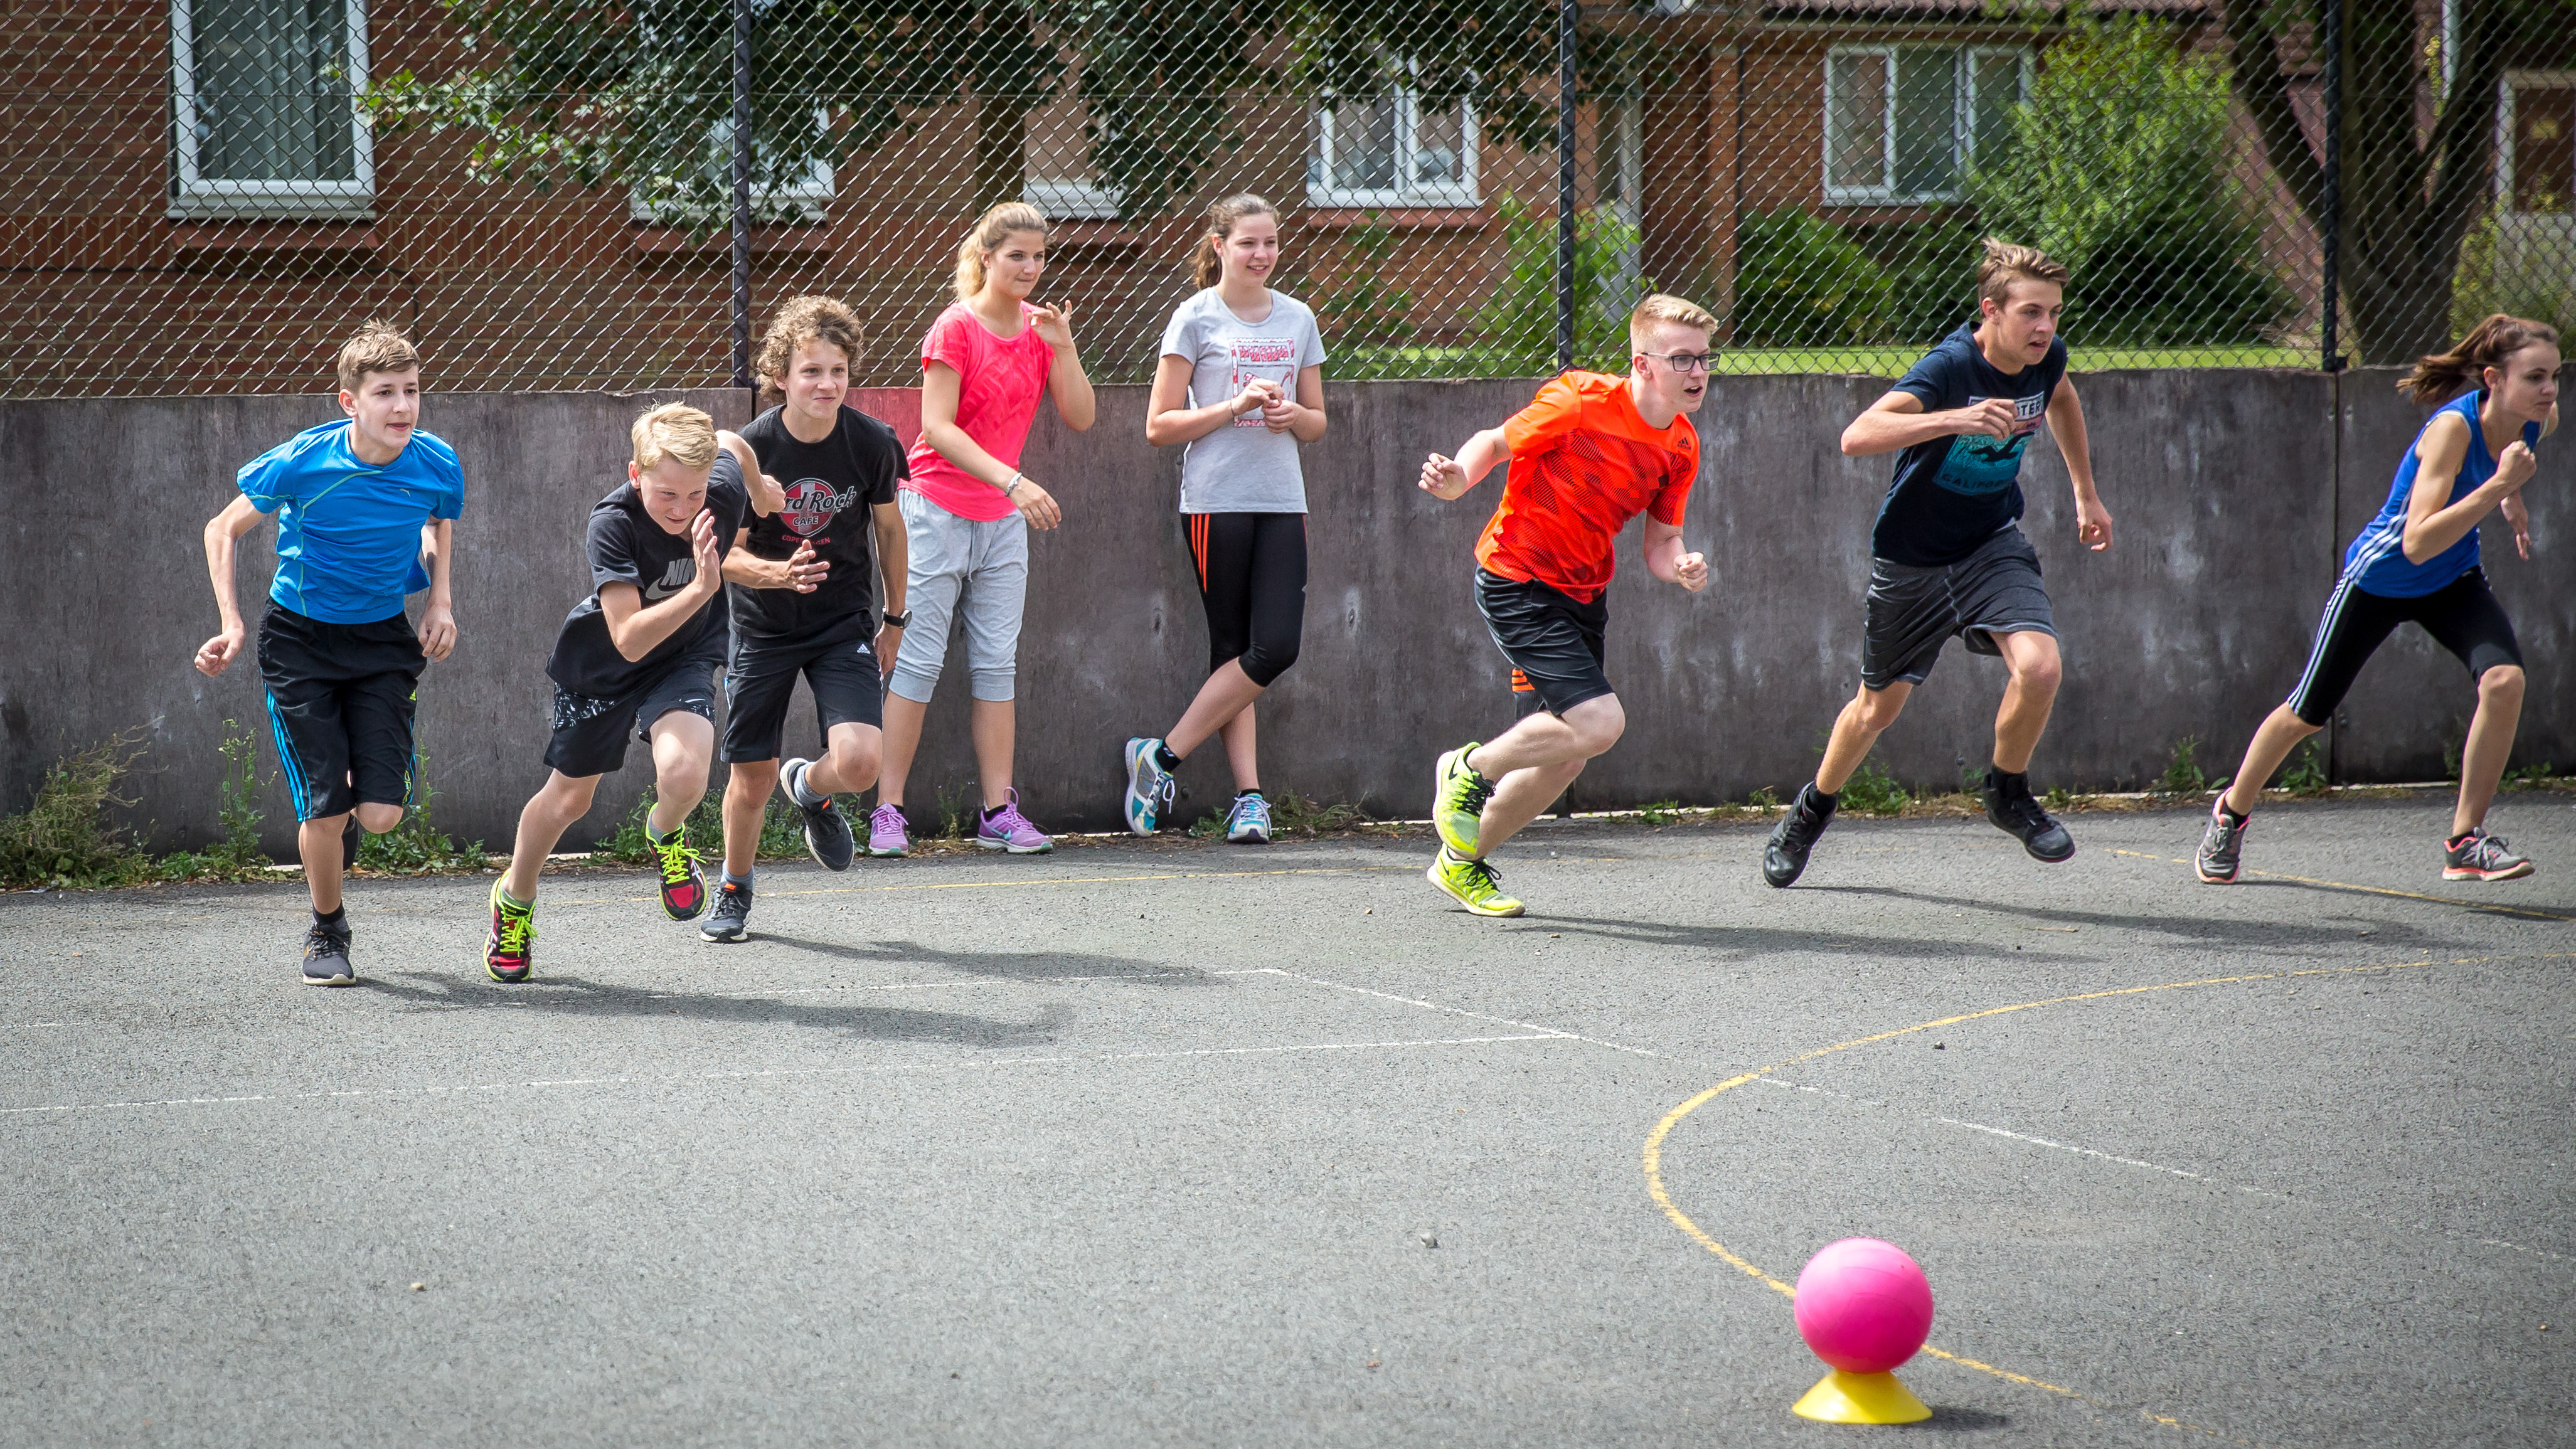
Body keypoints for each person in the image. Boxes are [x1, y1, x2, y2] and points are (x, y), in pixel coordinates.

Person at [1762, 239, 2113, 889]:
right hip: (1912, 561)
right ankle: (1809, 812)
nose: (2045, 328)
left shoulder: (2046, 359)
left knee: (2039, 668)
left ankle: (2006, 793)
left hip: (1990, 544)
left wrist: (2083, 491)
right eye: (2031, 313)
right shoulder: (1947, 367)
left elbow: (2061, 398)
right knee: (1875, 710)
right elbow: (1855, 437)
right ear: (1991, 310)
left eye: (2054, 313)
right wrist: (1954, 419)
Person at [2197, 316, 2559, 885]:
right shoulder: (2452, 429)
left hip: (2454, 576)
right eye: (2535, 377)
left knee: (2504, 680)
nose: (2549, 390)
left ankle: (2465, 840)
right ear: (2493, 379)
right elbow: (2416, 543)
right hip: (2381, 579)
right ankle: (2231, 812)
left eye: (2556, 377)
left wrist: (2510, 495)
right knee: (2305, 715)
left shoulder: (2538, 419)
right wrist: (2497, 489)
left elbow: (2506, 466)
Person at [1415, 294, 1716, 917]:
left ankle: (1458, 866)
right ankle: (1468, 768)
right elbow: (1493, 443)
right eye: (1681, 359)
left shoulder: (1680, 446)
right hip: (1518, 580)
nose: (1696, 373)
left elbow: (1660, 542)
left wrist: (1680, 568)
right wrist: (1457, 480)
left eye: (1704, 360)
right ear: (1642, 365)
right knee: (1599, 725)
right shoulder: (1578, 402)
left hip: (1582, 592)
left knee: (1565, 755)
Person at [194, 321, 462, 987]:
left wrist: (440, 599)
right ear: (350, 402)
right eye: (384, 394)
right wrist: (230, 623)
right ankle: (327, 927)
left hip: (380, 641)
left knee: (379, 814)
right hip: (301, 643)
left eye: (411, 391)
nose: (402, 407)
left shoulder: (435, 463)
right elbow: (222, 528)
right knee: (325, 804)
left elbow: (438, 520)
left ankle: (336, 828)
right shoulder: (305, 462)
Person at [481, 404, 782, 983]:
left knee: (686, 772)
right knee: (569, 801)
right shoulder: (612, 521)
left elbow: (729, 444)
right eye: (667, 494)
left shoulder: (715, 490)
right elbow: (626, 637)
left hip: (686, 657)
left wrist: (761, 492)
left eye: (694, 495)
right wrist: (701, 588)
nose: (683, 509)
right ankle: (513, 902)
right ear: (636, 473)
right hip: (607, 663)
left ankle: (665, 831)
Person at [870, 201, 1096, 857]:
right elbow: (936, 427)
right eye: (1016, 256)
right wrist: (1012, 481)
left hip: (1000, 526)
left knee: (996, 666)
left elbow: (1079, 415)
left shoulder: (1040, 328)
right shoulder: (955, 327)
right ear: (987, 257)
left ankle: (998, 812)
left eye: (1038, 256)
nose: (1029, 268)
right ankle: (888, 811)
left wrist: (1064, 348)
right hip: (935, 512)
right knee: (917, 661)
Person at [701, 297, 909, 943]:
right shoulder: (750, 451)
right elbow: (720, 556)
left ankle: (812, 789)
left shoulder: (871, 443)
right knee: (751, 776)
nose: (826, 384)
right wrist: (776, 574)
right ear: (781, 376)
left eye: (838, 371)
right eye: (811, 371)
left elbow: (889, 532)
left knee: (859, 764)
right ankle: (735, 888)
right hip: (761, 629)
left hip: (840, 623)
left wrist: (895, 619)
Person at [1123, 193, 1329, 843]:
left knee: (1275, 648)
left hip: (1280, 500)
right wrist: (1233, 403)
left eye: (1269, 243)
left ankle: (1158, 758)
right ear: (1218, 246)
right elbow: (1159, 425)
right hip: (1215, 501)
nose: (1261, 255)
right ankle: (1248, 798)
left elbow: (1317, 421)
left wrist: (1292, 417)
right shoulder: (1194, 317)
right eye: (1247, 243)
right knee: (1232, 651)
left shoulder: (1297, 319)